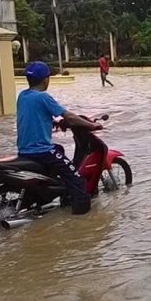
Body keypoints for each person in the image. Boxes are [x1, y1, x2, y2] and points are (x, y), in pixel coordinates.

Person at [17, 61, 103, 214]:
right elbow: (68, 116)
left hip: (24, 150)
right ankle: (82, 218)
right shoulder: (43, 97)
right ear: (46, 80)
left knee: (59, 149)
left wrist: (54, 123)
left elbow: (33, 116)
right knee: (77, 178)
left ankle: (58, 192)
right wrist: (91, 126)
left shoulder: (22, 96)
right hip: (41, 151)